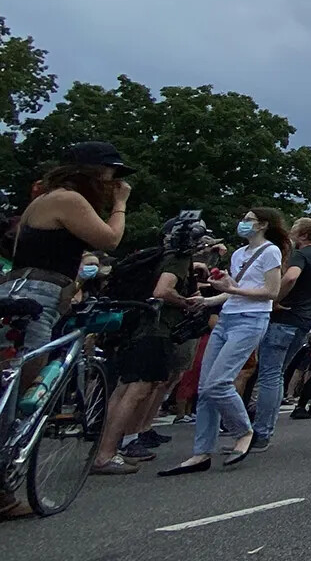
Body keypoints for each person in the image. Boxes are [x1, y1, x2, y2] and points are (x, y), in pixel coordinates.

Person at [160, 208, 287, 475]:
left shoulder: (271, 251)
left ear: (262, 225)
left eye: (248, 220)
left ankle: (244, 431)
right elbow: (233, 293)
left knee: (219, 383)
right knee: (205, 387)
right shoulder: (240, 254)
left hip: (250, 320)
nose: (242, 223)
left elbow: (271, 292)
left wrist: (231, 289)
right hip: (228, 317)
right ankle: (201, 452)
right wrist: (208, 301)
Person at [3, 143, 132, 383]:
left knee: (13, 361)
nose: (114, 184)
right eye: (111, 175)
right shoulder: (69, 199)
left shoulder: (46, 199)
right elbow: (110, 239)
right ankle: (12, 419)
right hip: (40, 290)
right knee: (29, 364)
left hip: (23, 284)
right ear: (94, 172)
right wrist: (120, 204)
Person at [91, 225, 201, 474]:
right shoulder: (179, 259)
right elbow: (162, 290)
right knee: (137, 390)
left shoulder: (157, 254)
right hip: (155, 330)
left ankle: (105, 450)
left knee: (123, 389)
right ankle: (105, 454)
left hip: (136, 327)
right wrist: (186, 303)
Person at [250, 216, 311, 450]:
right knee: (278, 373)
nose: (291, 234)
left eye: (294, 230)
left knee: (270, 374)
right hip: (303, 319)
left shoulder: (301, 255)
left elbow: (292, 276)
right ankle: (266, 427)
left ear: (302, 235)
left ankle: (262, 431)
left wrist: (275, 298)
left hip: (285, 318)